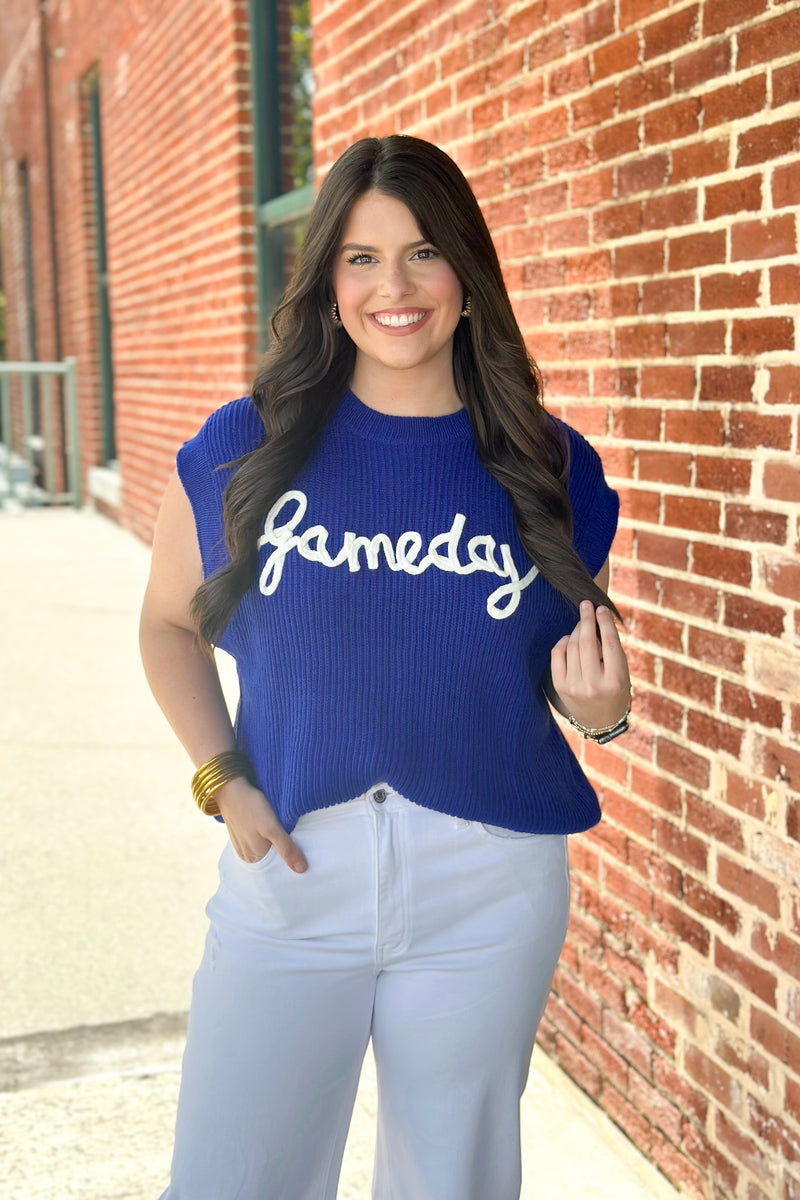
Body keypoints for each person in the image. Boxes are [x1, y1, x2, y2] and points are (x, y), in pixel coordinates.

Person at [140, 134, 631, 1200]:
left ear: (467, 270)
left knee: (451, 1183)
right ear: (327, 279)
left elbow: (567, 676)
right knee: (232, 1180)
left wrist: (600, 711)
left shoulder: (550, 464)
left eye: (422, 253)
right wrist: (224, 781)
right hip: (292, 871)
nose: (392, 288)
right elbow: (167, 627)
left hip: (488, 881)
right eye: (360, 258)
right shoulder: (243, 446)